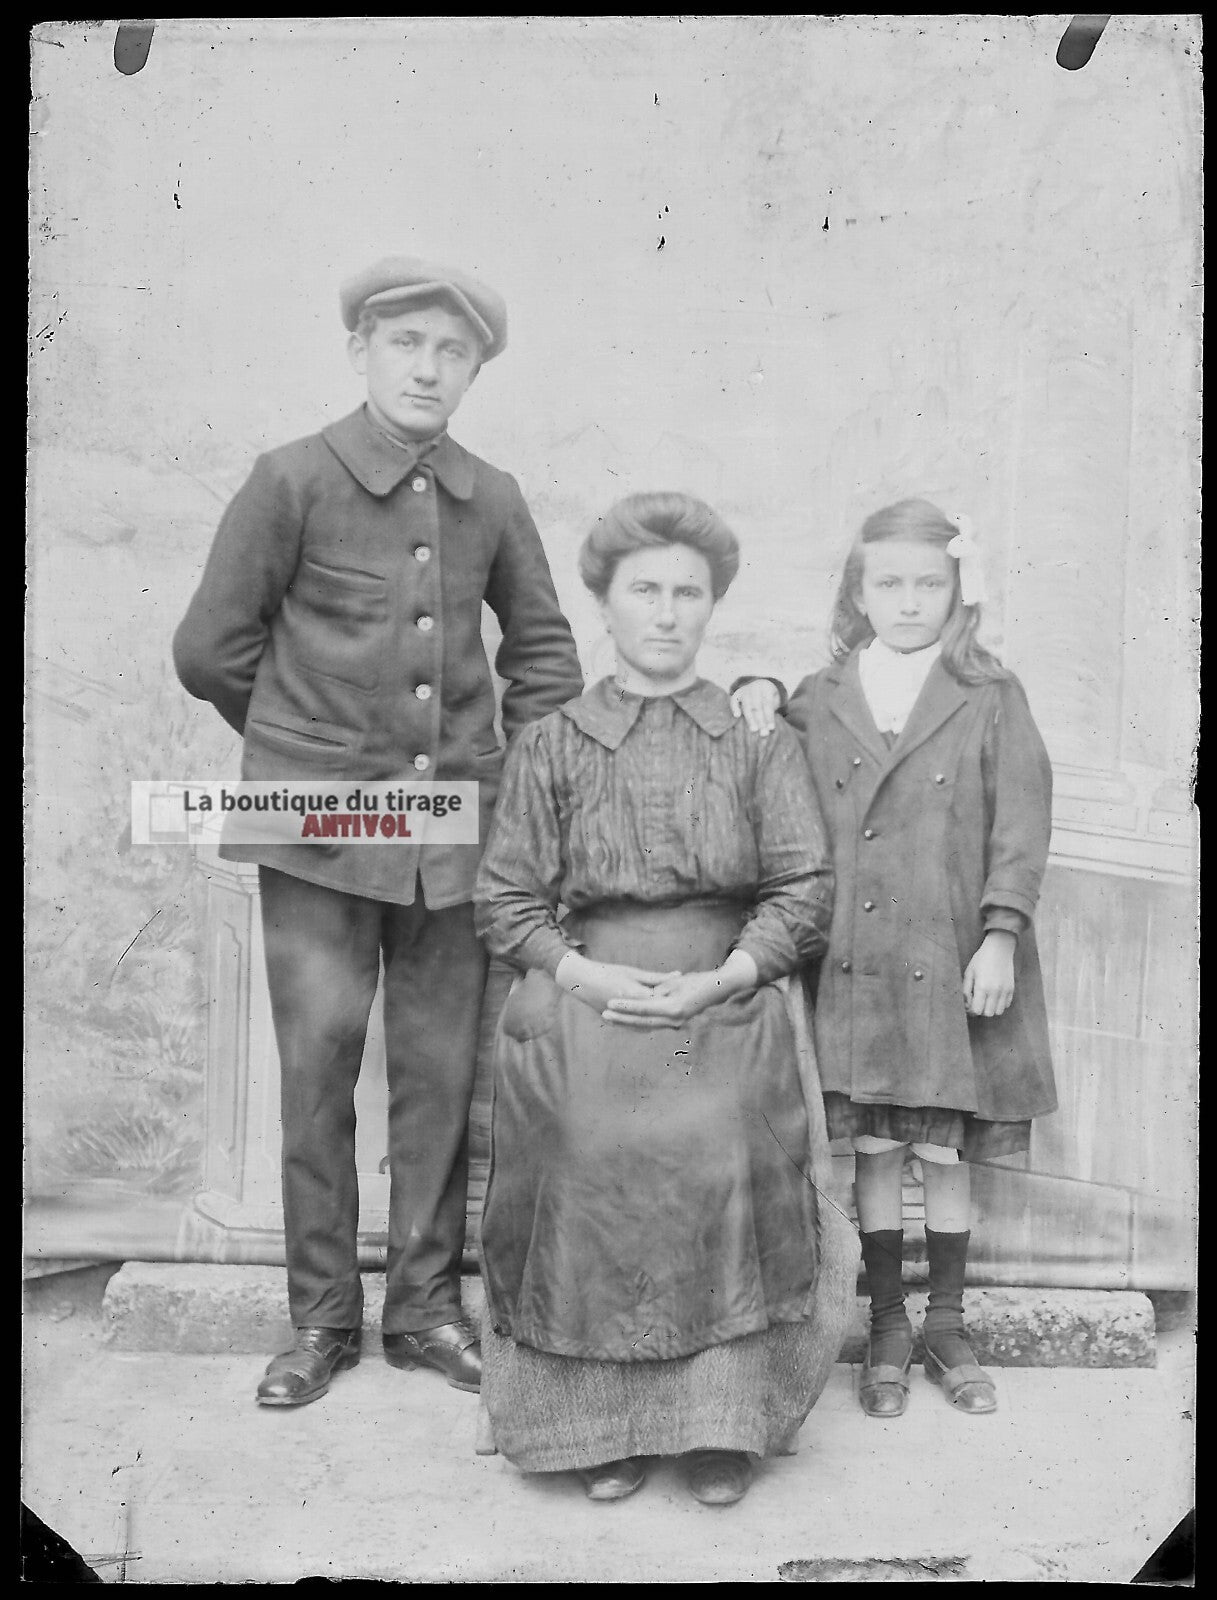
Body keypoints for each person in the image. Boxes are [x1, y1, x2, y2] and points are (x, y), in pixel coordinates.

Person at [173, 255, 584, 1407]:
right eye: (405, 343)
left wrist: (524, 787)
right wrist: (306, 750)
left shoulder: (490, 495)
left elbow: (545, 654)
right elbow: (209, 647)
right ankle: (319, 1323)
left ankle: (422, 1311)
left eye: (451, 352)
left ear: (472, 372)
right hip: (312, 837)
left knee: (440, 1083)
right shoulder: (289, 480)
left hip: (454, 848)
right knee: (315, 1079)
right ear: (360, 350)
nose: (427, 367)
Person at [472, 491, 859, 1506]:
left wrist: (726, 975)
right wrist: (583, 974)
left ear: (710, 606)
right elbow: (505, 899)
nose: (666, 610)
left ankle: (719, 1422)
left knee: (719, 1133)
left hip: (722, 990)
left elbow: (801, 888)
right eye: (644, 589)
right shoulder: (554, 742)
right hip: (592, 986)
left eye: (688, 592)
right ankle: (599, 1426)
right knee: (590, 1138)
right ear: (605, 603)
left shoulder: (752, 741)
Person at [732, 497, 1057, 1418]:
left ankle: (945, 1324)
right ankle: (884, 1325)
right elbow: (767, 762)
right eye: (889, 584)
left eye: (928, 583)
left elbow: (1022, 826)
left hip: (951, 953)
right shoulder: (823, 694)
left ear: (957, 590)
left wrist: (999, 935)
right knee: (874, 1144)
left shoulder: (988, 693)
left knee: (943, 1150)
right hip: (854, 962)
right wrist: (753, 683)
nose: (909, 601)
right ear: (858, 593)